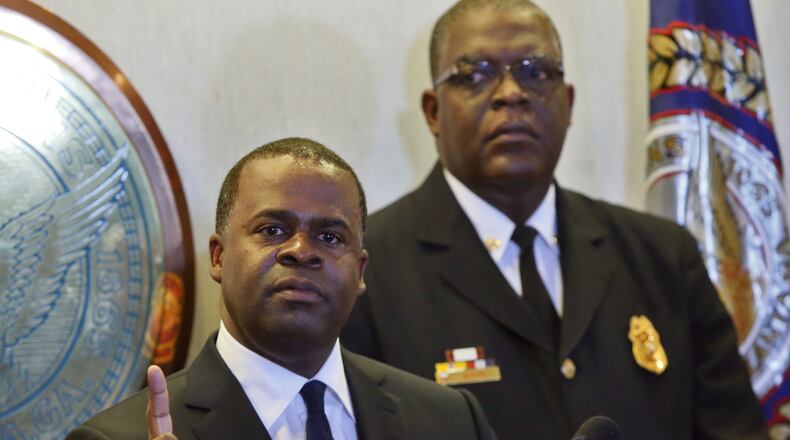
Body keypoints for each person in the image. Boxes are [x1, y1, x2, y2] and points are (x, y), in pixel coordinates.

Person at [340, 1, 768, 439]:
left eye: (536, 71)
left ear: (568, 102)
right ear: (433, 111)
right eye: (475, 74)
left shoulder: (663, 256)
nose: (511, 93)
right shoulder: (364, 272)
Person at [66, 138, 496, 440]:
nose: (301, 251)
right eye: (273, 230)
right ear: (218, 257)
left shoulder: (451, 420)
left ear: (360, 270)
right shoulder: (116, 437)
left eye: (330, 237)